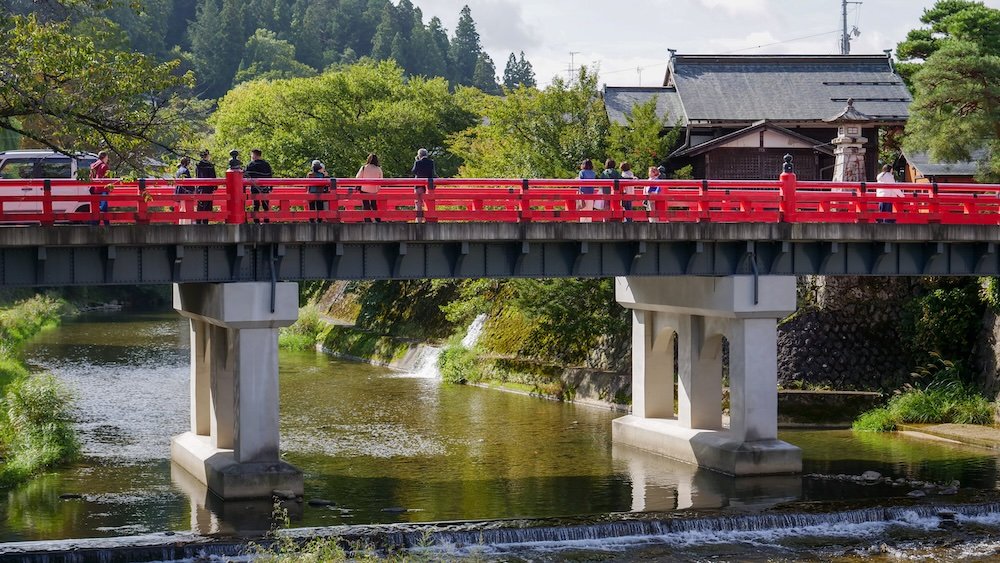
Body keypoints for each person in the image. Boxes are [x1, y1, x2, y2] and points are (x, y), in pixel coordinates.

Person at [245, 148, 274, 223]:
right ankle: (266, 220)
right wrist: (271, 186)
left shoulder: (250, 164)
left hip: (255, 188)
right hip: (265, 187)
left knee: (256, 204)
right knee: (266, 204)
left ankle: (256, 221)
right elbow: (270, 176)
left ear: (254, 155)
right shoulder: (266, 164)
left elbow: (246, 176)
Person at [356, 153, 383, 222]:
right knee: (374, 205)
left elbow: (358, 178)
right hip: (374, 190)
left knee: (366, 205)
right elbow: (381, 180)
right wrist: (378, 188)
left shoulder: (364, 167)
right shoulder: (378, 169)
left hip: (364, 189)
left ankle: (367, 219)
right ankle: (377, 219)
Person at [411, 148, 435, 222]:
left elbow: (414, 171)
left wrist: (416, 160)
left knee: (418, 202)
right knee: (428, 201)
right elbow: (432, 173)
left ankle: (419, 219)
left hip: (419, 184)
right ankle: (429, 219)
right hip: (429, 184)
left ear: (419, 155)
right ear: (426, 155)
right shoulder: (431, 162)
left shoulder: (418, 162)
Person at [194, 149, 216, 224]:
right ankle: (205, 222)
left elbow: (197, 176)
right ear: (207, 155)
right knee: (207, 205)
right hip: (208, 188)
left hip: (200, 187)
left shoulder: (198, 165)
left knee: (200, 205)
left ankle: (198, 221)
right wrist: (215, 186)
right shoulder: (210, 165)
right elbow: (213, 177)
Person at [89, 151, 111, 226]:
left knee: (96, 208)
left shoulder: (93, 165)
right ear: (104, 157)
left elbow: (91, 177)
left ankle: (95, 223)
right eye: (107, 157)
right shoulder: (104, 166)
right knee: (104, 209)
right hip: (102, 189)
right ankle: (106, 225)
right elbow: (104, 178)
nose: (107, 159)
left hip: (94, 189)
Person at [175, 157, 193, 224]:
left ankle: (181, 223)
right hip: (184, 192)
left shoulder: (178, 170)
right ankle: (186, 224)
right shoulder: (185, 171)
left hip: (179, 191)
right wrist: (192, 190)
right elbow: (188, 183)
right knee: (186, 209)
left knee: (182, 208)